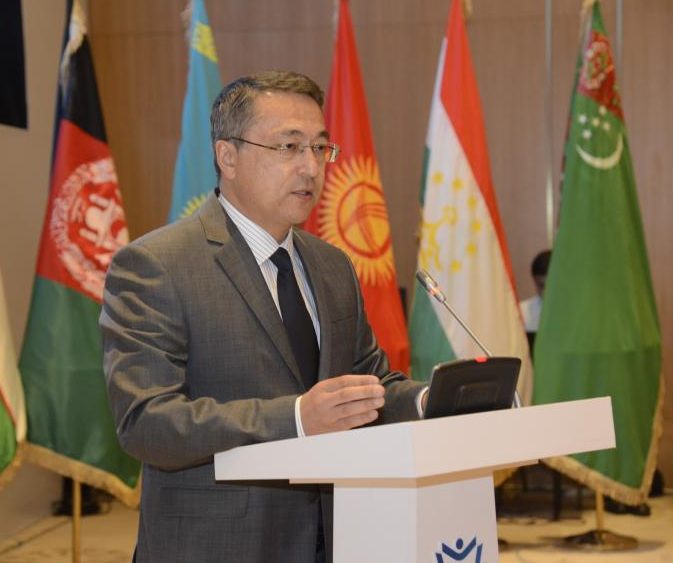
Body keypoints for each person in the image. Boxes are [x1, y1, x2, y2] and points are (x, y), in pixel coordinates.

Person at [100, 71, 427, 563]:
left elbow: (367, 383)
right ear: (227, 156)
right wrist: (296, 418)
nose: (311, 167)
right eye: (289, 147)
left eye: (319, 148)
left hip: (336, 540)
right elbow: (146, 422)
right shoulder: (157, 265)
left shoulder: (332, 266)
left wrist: (432, 400)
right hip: (218, 547)